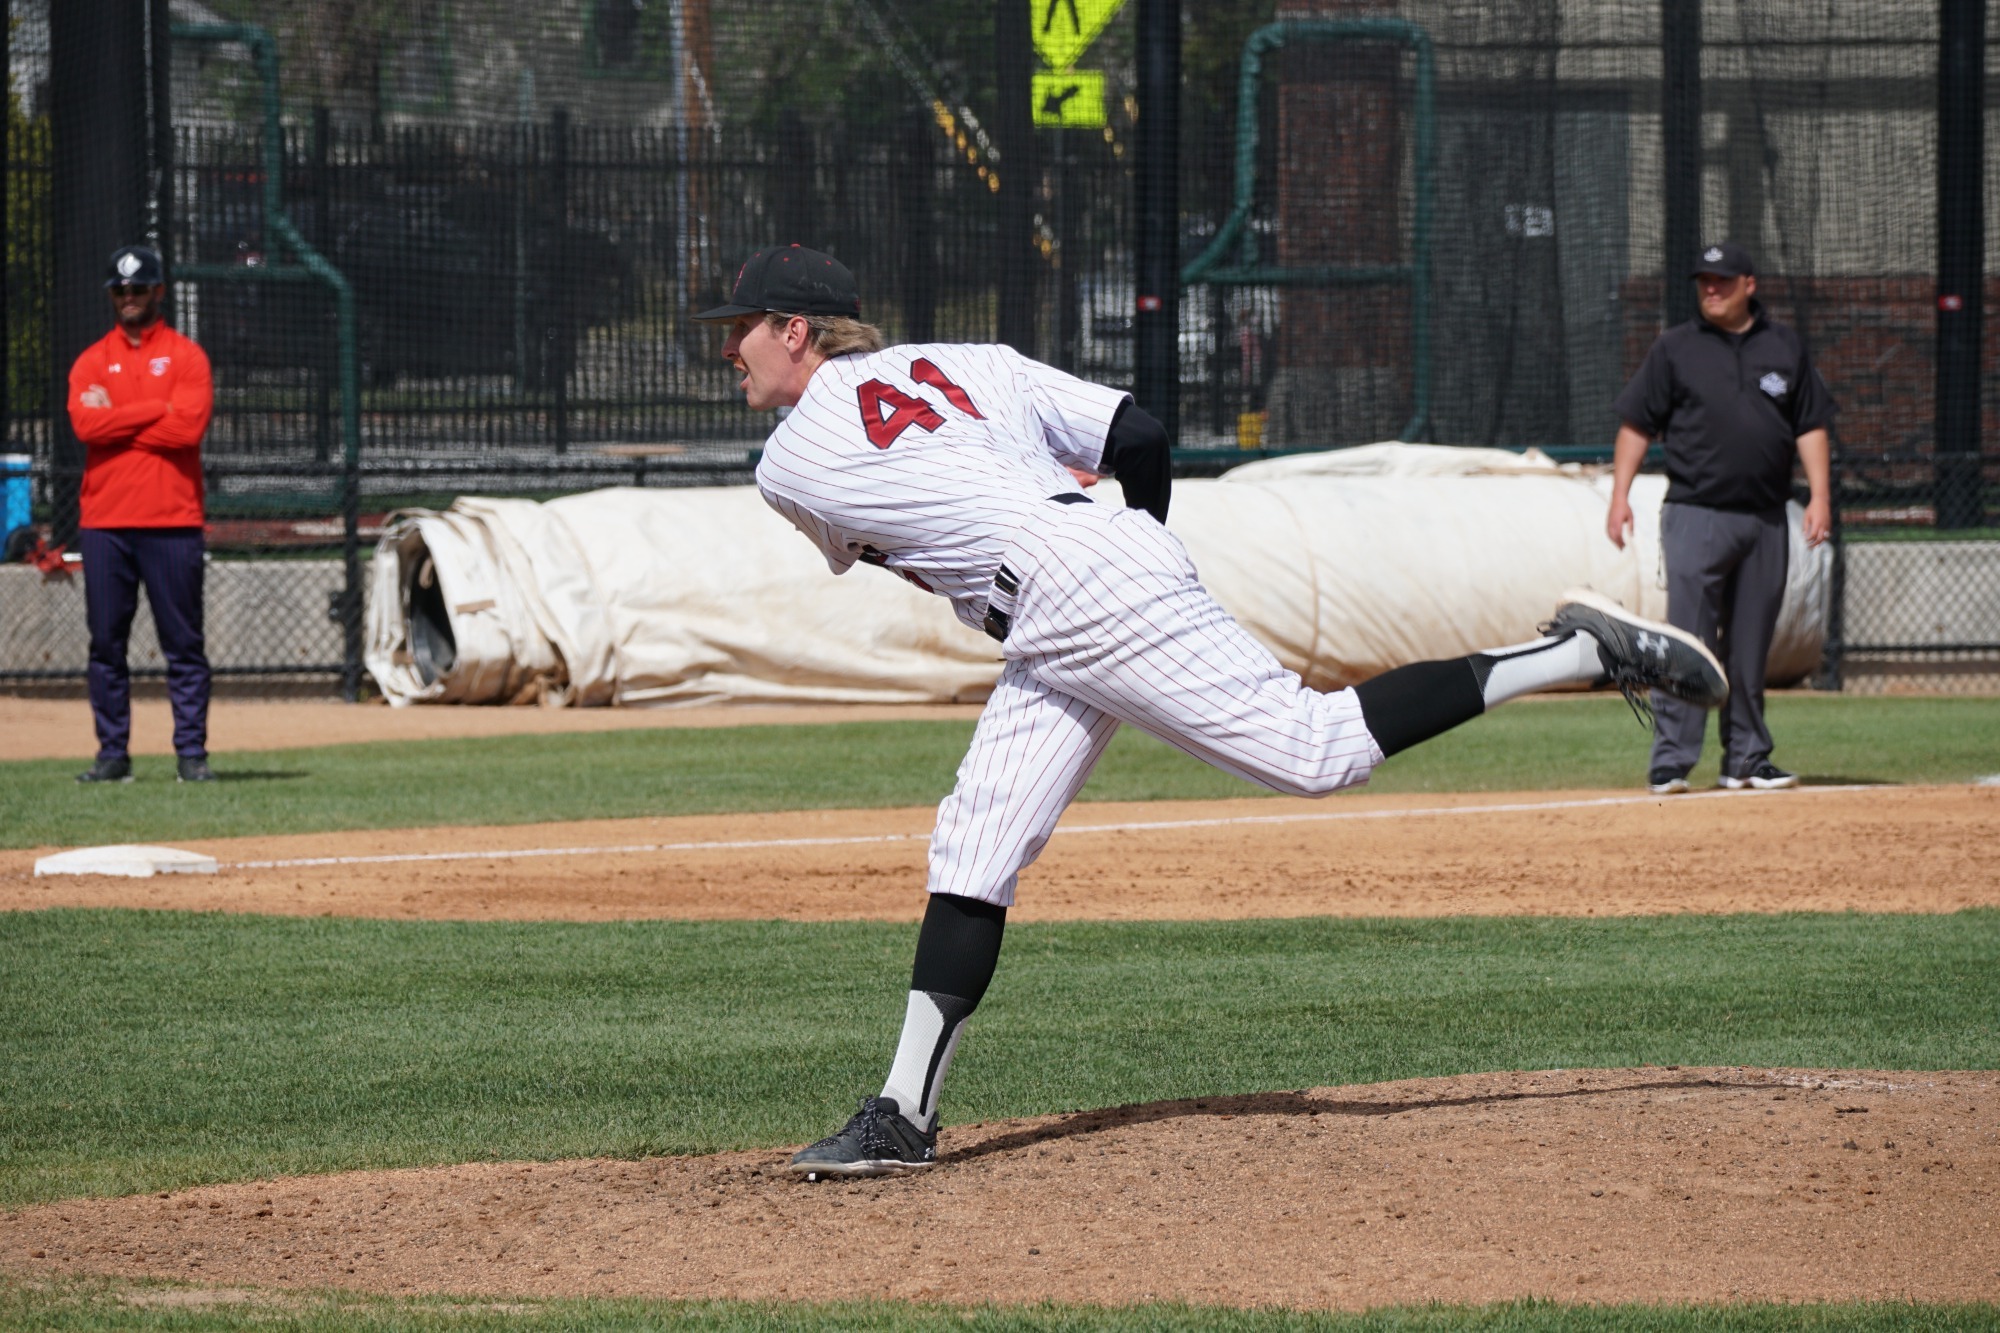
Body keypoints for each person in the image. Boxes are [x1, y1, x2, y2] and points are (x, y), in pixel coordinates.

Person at [696, 243, 1727, 1179]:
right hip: (1083, 575)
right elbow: (1136, 435)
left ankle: (1570, 649)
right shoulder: (975, 363)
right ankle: (901, 1117)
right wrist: (1130, 553)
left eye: (737, 329)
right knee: (973, 841)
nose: (726, 350)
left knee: (1313, 749)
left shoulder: (787, 464)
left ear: (796, 331)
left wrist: (1099, 579)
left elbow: (894, 531)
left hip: (1064, 593)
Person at [1605, 241, 1834, 796]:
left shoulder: (1783, 346)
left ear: (1748, 285)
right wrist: (1619, 495)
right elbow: (1636, 424)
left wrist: (1821, 497)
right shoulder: (1676, 348)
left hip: (1765, 519)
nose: (1711, 289)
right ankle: (1672, 762)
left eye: (1722, 280)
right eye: (1704, 280)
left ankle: (1747, 760)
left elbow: (1810, 425)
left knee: (1751, 646)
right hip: (1695, 514)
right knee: (1688, 644)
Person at [67, 245, 216, 784]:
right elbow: (86, 428)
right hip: (105, 522)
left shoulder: (187, 357)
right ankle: (113, 755)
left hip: (172, 521)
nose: (127, 298)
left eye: (138, 288)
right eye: (119, 290)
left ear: (159, 291)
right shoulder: (89, 360)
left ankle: (191, 755)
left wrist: (122, 419)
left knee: (184, 644)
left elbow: (187, 431)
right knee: (106, 643)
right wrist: (158, 409)